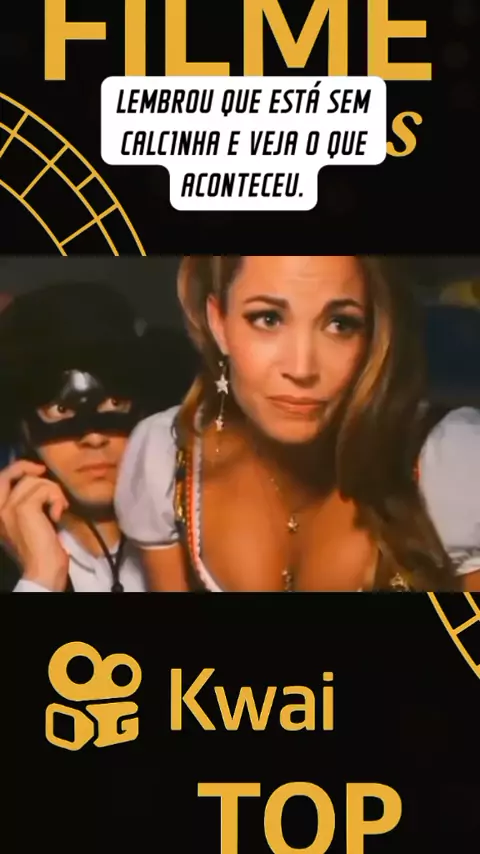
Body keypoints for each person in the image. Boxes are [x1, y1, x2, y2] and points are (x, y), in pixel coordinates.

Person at [115, 255, 475, 592]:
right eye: (268, 319)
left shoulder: (450, 464)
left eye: (340, 324)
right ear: (219, 323)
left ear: (372, 335)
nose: (302, 369)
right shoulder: (167, 461)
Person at [0, 281, 158, 593]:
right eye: (61, 409)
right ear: (25, 429)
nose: (94, 439)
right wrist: (41, 579)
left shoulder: (206, 547)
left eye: (115, 403)